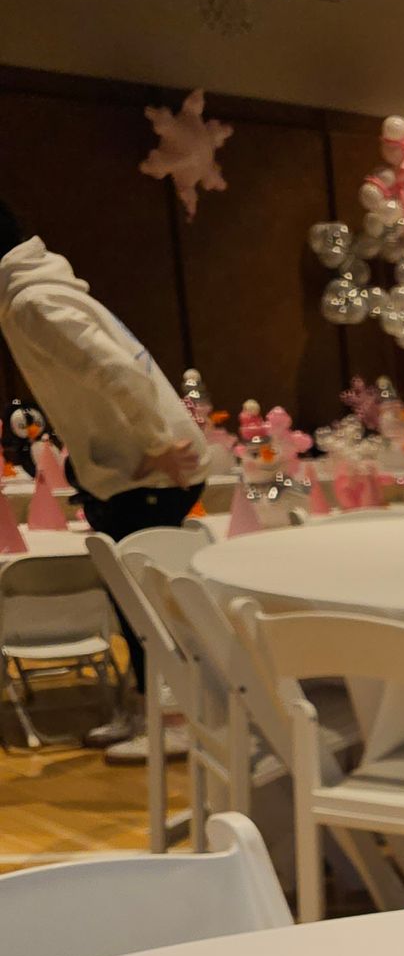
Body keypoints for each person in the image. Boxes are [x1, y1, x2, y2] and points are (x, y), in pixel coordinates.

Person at [0, 197, 209, 746]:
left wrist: (158, 445)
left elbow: (119, 372)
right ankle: (151, 713)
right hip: (132, 469)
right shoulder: (39, 288)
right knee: (136, 601)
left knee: (145, 606)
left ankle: (170, 722)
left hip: (146, 473)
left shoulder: (32, 302)